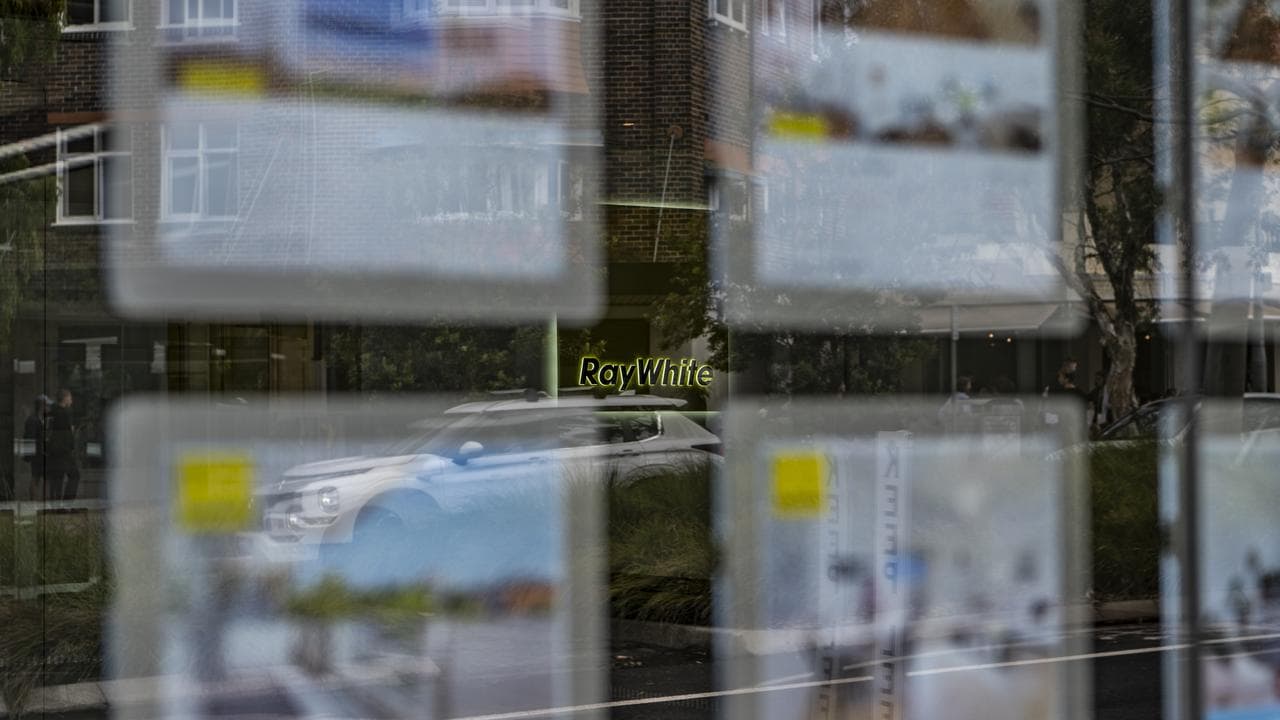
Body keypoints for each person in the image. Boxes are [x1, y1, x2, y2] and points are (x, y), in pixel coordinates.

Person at [46, 388, 80, 501]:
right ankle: (67, 502)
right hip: (64, 449)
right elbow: (69, 431)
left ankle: (55, 503)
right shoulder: (65, 413)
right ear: (65, 398)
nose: (71, 400)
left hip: (54, 449)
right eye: (70, 397)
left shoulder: (52, 412)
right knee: (74, 475)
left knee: (57, 477)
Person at [21, 396, 50, 500]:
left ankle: (38, 501)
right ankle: (34, 502)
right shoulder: (33, 420)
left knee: (39, 477)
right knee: (36, 478)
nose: (48, 408)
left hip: (40, 453)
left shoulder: (40, 419)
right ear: (42, 406)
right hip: (38, 454)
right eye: (47, 405)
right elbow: (30, 437)